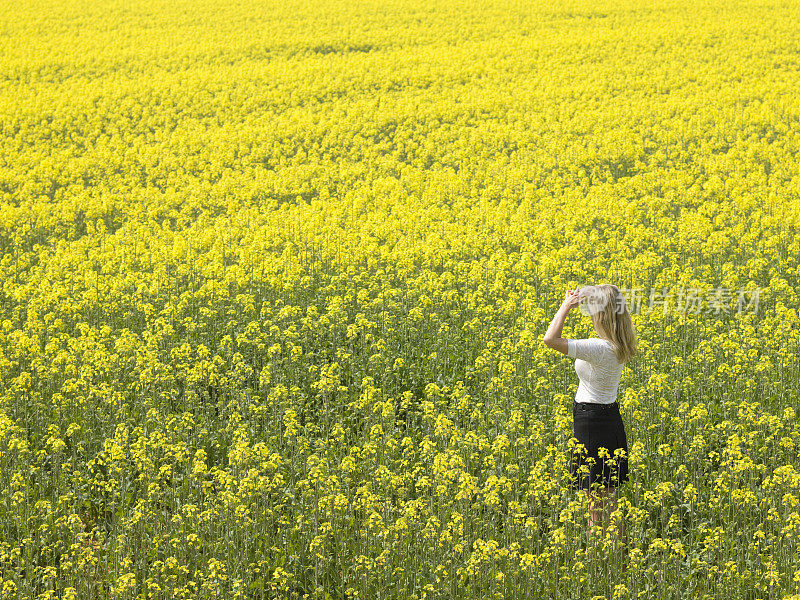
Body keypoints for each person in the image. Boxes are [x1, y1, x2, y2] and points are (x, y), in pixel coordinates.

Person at [542, 284, 638, 564]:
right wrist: (589, 293)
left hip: (591, 423)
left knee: (595, 500)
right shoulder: (619, 342)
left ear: (602, 315)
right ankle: (618, 558)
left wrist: (566, 305)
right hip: (609, 419)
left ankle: (598, 561)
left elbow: (550, 339)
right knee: (607, 498)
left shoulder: (598, 348)